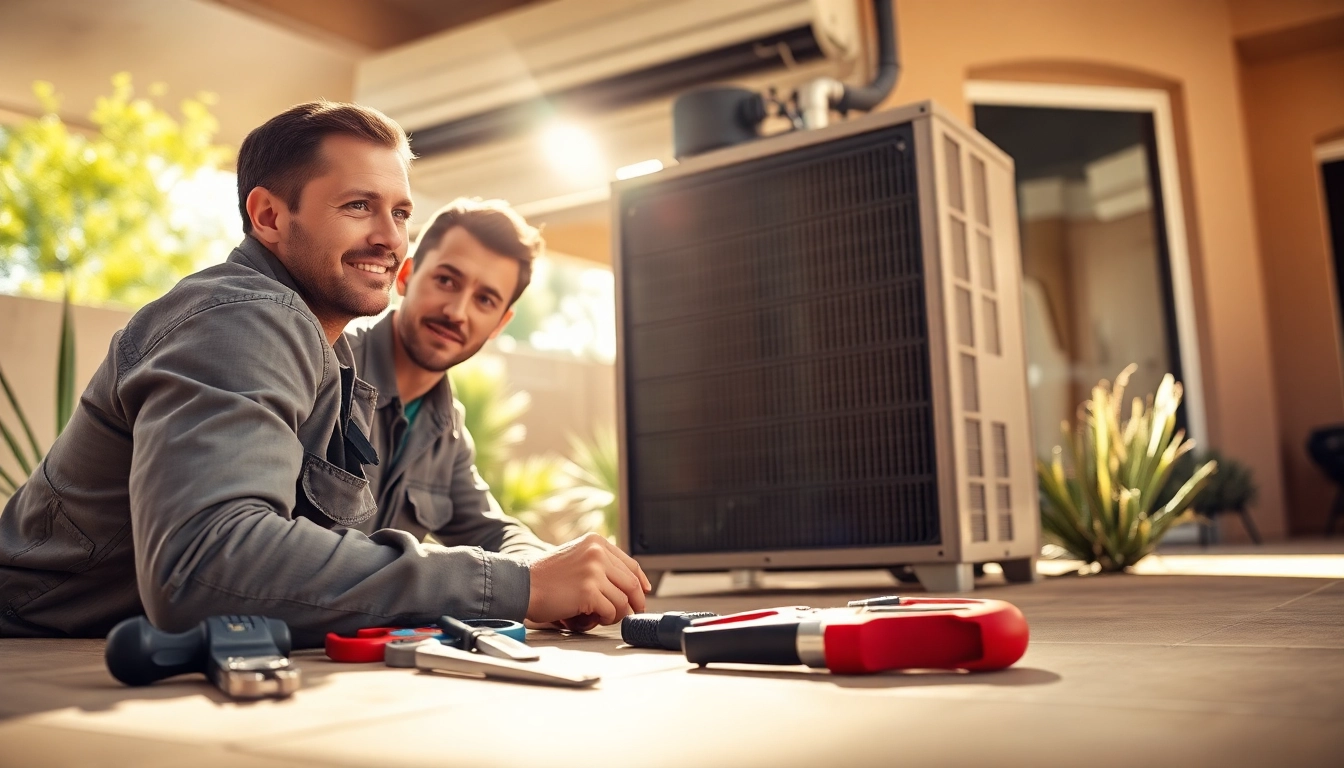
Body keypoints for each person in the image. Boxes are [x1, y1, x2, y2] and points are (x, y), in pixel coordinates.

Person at [0, 101, 648, 644]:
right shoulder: (245, 318)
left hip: (140, 656)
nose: (390, 238)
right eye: (359, 205)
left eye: (400, 213)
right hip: (36, 654)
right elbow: (205, 565)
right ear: (269, 216)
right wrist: (514, 585)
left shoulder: (341, 363)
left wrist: (541, 571)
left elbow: (476, 527)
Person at [347, 198, 607, 630]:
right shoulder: (323, 369)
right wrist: (525, 584)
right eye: (446, 280)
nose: (457, 311)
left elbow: (492, 532)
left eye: (485, 299)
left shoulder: (447, 427)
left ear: (500, 324)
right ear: (406, 275)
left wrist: (554, 576)